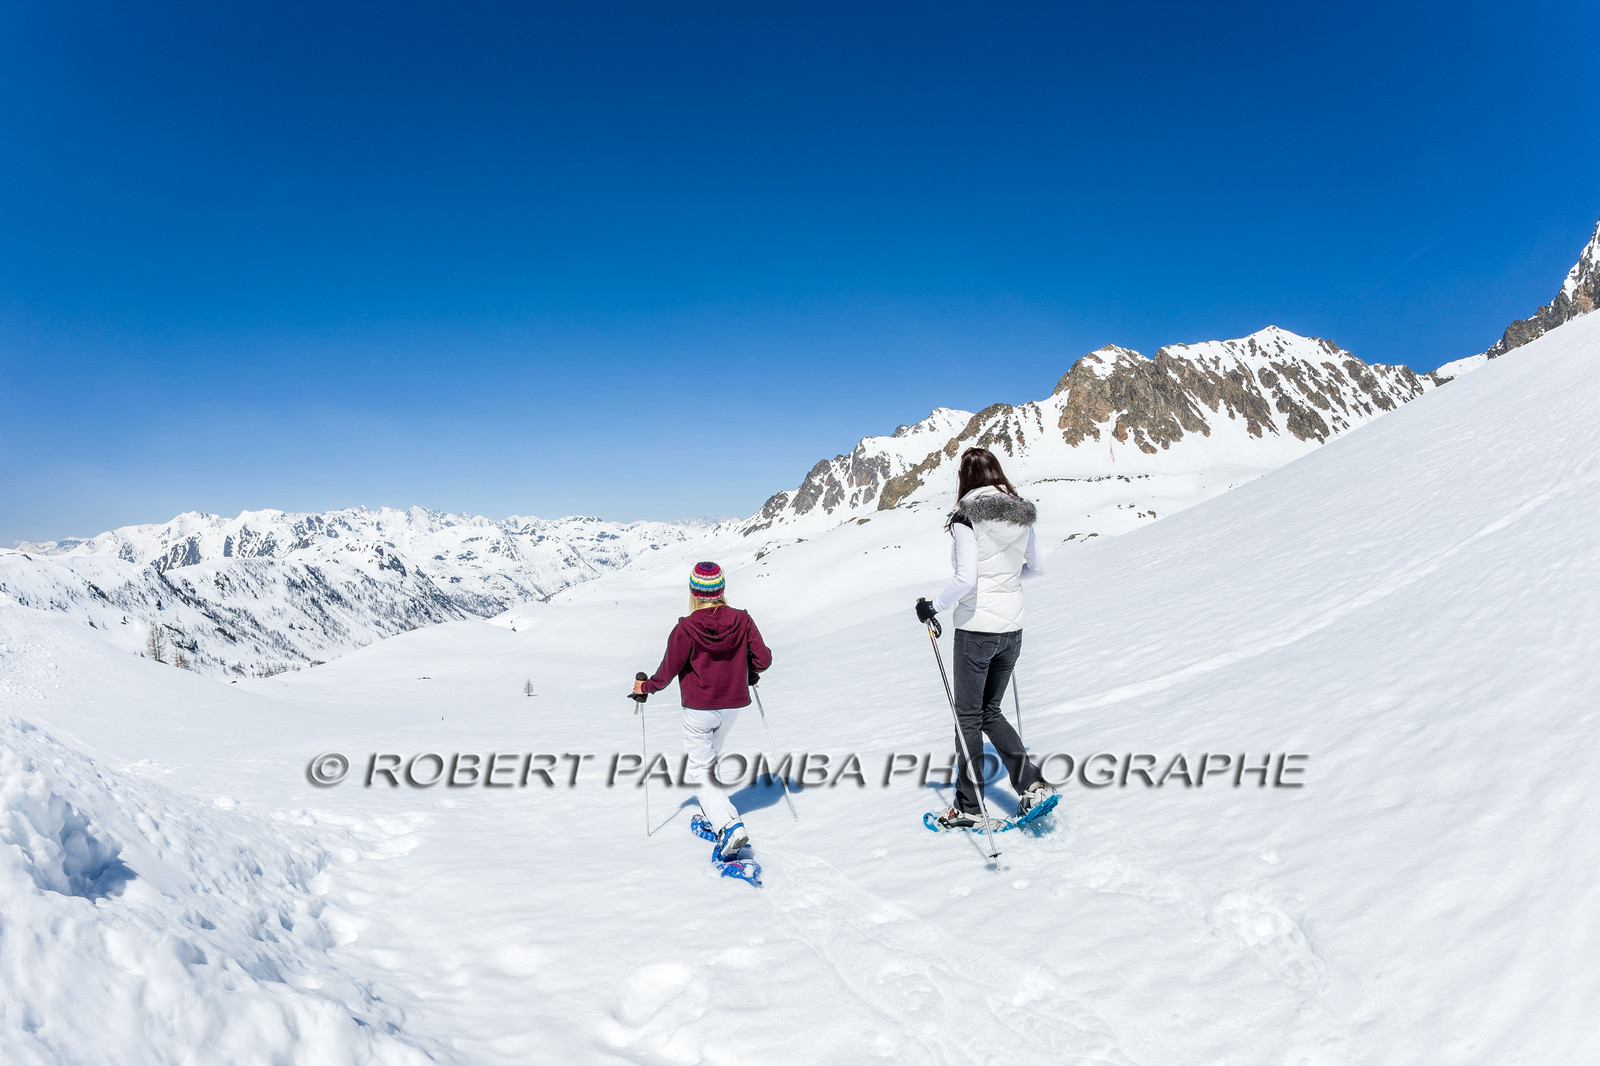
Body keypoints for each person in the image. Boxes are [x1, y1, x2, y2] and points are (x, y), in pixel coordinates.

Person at [915, 447, 1052, 830]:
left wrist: (932, 607)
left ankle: (969, 807)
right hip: (1013, 630)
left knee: (968, 720)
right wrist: (1005, 583)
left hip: (976, 631)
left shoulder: (965, 517)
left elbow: (966, 579)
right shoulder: (1022, 513)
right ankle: (1033, 786)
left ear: (965, 477)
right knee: (989, 712)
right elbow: (1037, 567)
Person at [633, 561, 772, 860]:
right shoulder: (742, 620)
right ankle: (717, 812)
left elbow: (666, 674)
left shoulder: (686, 627)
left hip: (699, 709)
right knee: (710, 761)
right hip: (732, 706)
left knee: (700, 769)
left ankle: (729, 826)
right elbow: (763, 659)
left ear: (694, 592)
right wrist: (750, 671)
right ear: (721, 589)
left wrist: (643, 689)